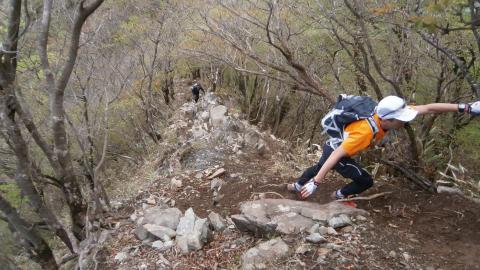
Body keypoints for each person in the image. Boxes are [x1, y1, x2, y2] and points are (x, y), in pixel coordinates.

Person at [287, 95, 480, 200]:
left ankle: (296, 186)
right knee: (365, 181)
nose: (404, 124)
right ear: (387, 120)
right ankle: (337, 197)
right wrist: (317, 183)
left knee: (319, 166)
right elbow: (336, 155)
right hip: (337, 152)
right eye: (400, 121)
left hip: (333, 145)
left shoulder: (383, 113)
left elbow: (428, 108)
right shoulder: (364, 131)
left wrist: (466, 108)